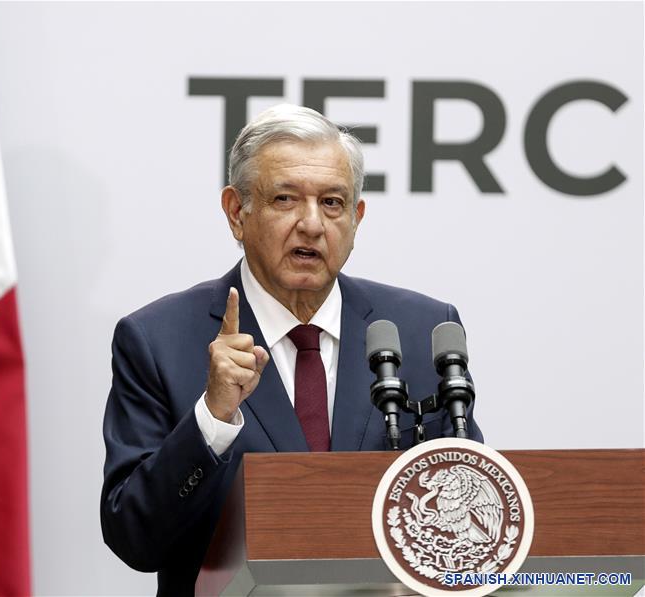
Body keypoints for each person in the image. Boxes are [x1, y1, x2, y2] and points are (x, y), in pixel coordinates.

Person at [100, 104, 483, 596]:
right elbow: (134, 539)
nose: (311, 224)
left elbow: (471, 517)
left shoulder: (421, 330)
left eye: (332, 202)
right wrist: (212, 419)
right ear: (237, 213)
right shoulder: (157, 340)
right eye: (285, 199)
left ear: (356, 217)